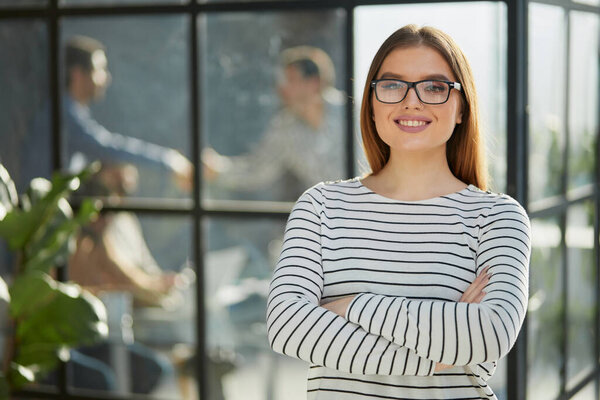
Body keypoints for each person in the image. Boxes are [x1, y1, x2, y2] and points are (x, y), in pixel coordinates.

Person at [266, 24, 531, 399]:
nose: (412, 101)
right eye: (392, 85)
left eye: (435, 87)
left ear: (461, 108)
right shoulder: (321, 206)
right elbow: (287, 327)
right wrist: (440, 356)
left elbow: (489, 334)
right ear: (371, 104)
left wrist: (348, 307)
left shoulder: (497, 217)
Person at [22, 35, 193, 193]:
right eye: (100, 70)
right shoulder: (64, 114)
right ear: (78, 74)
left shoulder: (68, 111)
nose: (106, 78)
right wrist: (167, 160)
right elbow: (106, 146)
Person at [203, 45, 345, 201]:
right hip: (335, 216)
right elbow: (258, 168)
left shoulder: (354, 114)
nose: (282, 88)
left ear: (314, 83)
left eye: (290, 80)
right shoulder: (286, 126)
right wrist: (217, 169)